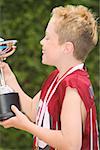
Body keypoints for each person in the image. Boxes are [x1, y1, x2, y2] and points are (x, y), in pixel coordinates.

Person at [0, 5, 99, 150]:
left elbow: (71, 144)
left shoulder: (74, 87)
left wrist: (25, 126)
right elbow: (34, 111)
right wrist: (7, 74)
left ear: (67, 48)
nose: (42, 42)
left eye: (47, 37)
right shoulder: (57, 77)